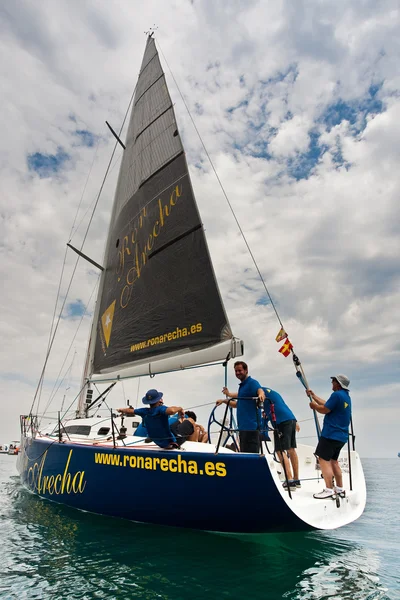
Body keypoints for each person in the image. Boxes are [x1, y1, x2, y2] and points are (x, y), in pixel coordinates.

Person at [306, 374, 352, 499]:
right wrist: (313, 396)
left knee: (323, 460)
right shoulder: (345, 397)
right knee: (334, 461)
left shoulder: (336, 395)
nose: (332, 382)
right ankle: (340, 488)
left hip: (330, 435)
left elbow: (325, 409)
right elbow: (328, 404)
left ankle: (328, 489)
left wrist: (314, 406)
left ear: (338, 383)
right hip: (341, 437)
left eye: (333, 381)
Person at [216, 361, 265, 453]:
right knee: (244, 455)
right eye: (236, 371)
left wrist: (261, 395)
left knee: (251, 458)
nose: (237, 373)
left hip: (252, 429)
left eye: (240, 370)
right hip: (242, 429)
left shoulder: (252, 383)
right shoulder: (242, 387)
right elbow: (237, 405)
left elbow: (260, 390)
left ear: (246, 370)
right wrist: (223, 401)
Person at [118, 389, 185, 449]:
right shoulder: (161, 409)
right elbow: (172, 411)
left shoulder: (144, 411)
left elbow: (130, 411)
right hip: (170, 443)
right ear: (158, 400)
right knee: (192, 423)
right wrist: (180, 408)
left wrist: (121, 410)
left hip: (157, 441)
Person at [262, 387, 301, 491]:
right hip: (291, 419)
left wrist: (229, 395)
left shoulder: (260, 391)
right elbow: (283, 406)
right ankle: (296, 479)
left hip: (281, 422)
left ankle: (289, 480)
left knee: (280, 450)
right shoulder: (274, 394)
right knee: (291, 448)